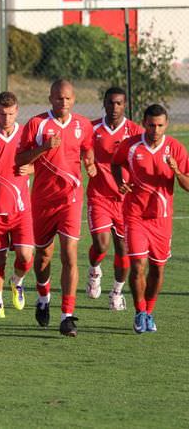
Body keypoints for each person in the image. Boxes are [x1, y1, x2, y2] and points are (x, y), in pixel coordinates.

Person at [16, 79, 96, 337]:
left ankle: (67, 316)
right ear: (50, 98)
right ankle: (43, 297)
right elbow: (20, 159)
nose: (64, 102)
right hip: (42, 200)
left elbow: (87, 151)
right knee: (43, 256)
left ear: (74, 100)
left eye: (68, 98)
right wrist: (43, 148)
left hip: (70, 199)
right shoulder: (36, 124)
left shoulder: (83, 125)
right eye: (59, 98)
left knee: (69, 254)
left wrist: (90, 163)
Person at [111, 104, 189, 333]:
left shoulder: (175, 148)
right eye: (152, 125)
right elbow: (115, 163)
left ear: (166, 125)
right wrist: (120, 181)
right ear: (144, 123)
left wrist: (176, 171)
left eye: (160, 125)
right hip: (135, 215)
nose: (156, 130)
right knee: (137, 265)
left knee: (158, 269)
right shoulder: (131, 145)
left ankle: (150, 312)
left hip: (161, 219)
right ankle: (140, 312)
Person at [0, 92, 34, 318]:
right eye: (2, 114)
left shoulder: (26, 135)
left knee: (25, 256)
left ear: (17, 111)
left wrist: (32, 168)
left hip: (21, 210)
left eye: (11, 114)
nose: (7, 118)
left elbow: (41, 162)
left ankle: (17, 281)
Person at [85, 87, 142, 310]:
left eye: (119, 103)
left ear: (125, 105)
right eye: (110, 102)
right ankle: (94, 271)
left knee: (123, 250)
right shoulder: (92, 128)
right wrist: (89, 163)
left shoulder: (135, 132)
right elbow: (81, 150)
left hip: (126, 202)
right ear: (104, 103)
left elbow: (143, 160)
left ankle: (116, 293)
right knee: (101, 245)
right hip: (99, 196)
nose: (114, 107)